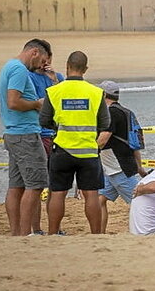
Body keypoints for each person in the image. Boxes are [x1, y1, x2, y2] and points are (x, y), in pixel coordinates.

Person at [40, 51, 111, 234]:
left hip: (62, 149)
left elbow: (44, 120)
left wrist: (59, 126)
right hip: (88, 151)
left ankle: (53, 233)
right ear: (85, 69)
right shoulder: (96, 93)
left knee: (58, 193)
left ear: (67, 67)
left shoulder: (54, 91)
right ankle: (96, 234)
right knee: (91, 194)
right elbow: (105, 123)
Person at [0, 39, 51, 235]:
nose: (41, 66)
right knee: (36, 185)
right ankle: (25, 233)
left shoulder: (9, 66)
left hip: (14, 133)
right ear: (34, 52)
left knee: (17, 186)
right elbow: (14, 102)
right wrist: (37, 104)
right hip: (25, 134)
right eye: (42, 61)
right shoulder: (19, 70)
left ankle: (16, 233)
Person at [96, 80, 147, 233]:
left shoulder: (111, 113)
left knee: (140, 201)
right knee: (100, 200)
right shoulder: (126, 112)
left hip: (119, 168)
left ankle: (149, 230)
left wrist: (84, 152)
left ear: (103, 94)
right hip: (112, 168)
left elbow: (103, 139)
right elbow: (134, 144)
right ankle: (99, 234)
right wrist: (139, 168)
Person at [28, 52, 64, 234]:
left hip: (57, 136)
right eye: (43, 60)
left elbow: (65, 102)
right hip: (40, 134)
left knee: (56, 186)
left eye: (48, 59)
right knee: (36, 185)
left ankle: (54, 228)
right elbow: (37, 104)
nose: (46, 63)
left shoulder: (58, 78)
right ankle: (36, 228)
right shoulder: (29, 77)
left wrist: (54, 80)